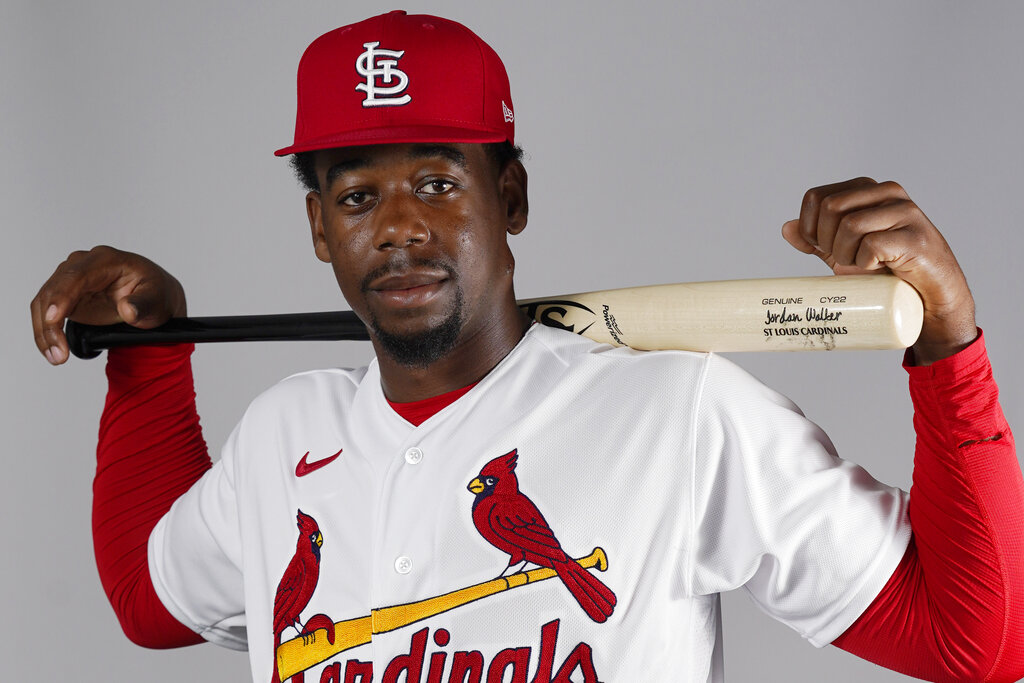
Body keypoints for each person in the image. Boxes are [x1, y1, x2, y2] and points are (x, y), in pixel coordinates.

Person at [30, 10, 1023, 683]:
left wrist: (947, 346)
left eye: (437, 180)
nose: (399, 227)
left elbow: (969, 639)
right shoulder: (283, 434)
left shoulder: (673, 410)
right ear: (320, 232)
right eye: (356, 194)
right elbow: (145, 600)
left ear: (508, 197)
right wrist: (147, 364)